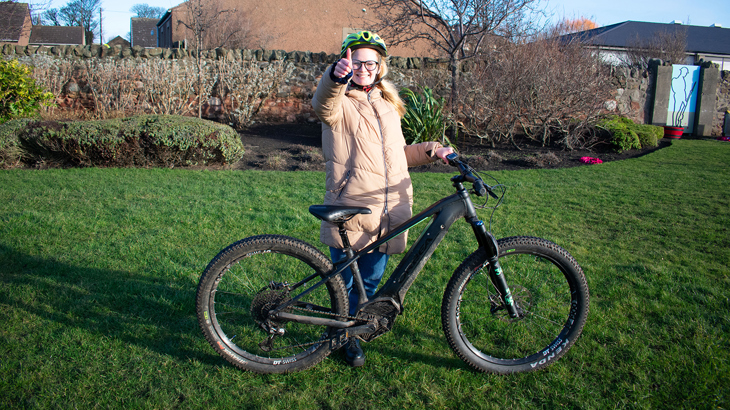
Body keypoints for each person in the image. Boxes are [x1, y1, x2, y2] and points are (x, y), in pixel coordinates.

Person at [312, 31, 454, 367]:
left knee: (372, 281)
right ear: (347, 63)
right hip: (353, 207)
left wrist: (434, 150)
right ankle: (341, 337)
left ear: (380, 66)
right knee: (343, 284)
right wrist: (334, 76)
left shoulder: (388, 104)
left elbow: (398, 155)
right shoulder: (340, 104)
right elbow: (322, 104)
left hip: (388, 211)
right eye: (356, 61)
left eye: (370, 62)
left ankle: (355, 332)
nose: (363, 68)